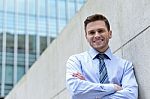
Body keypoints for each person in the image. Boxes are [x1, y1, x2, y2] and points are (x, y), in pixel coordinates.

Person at [66, 14, 138, 99]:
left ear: (110, 34)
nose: (96, 35)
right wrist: (113, 87)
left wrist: (89, 91)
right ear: (86, 37)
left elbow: (131, 95)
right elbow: (75, 90)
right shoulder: (76, 61)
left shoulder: (125, 66)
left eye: (100, 31)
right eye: (91, 32)